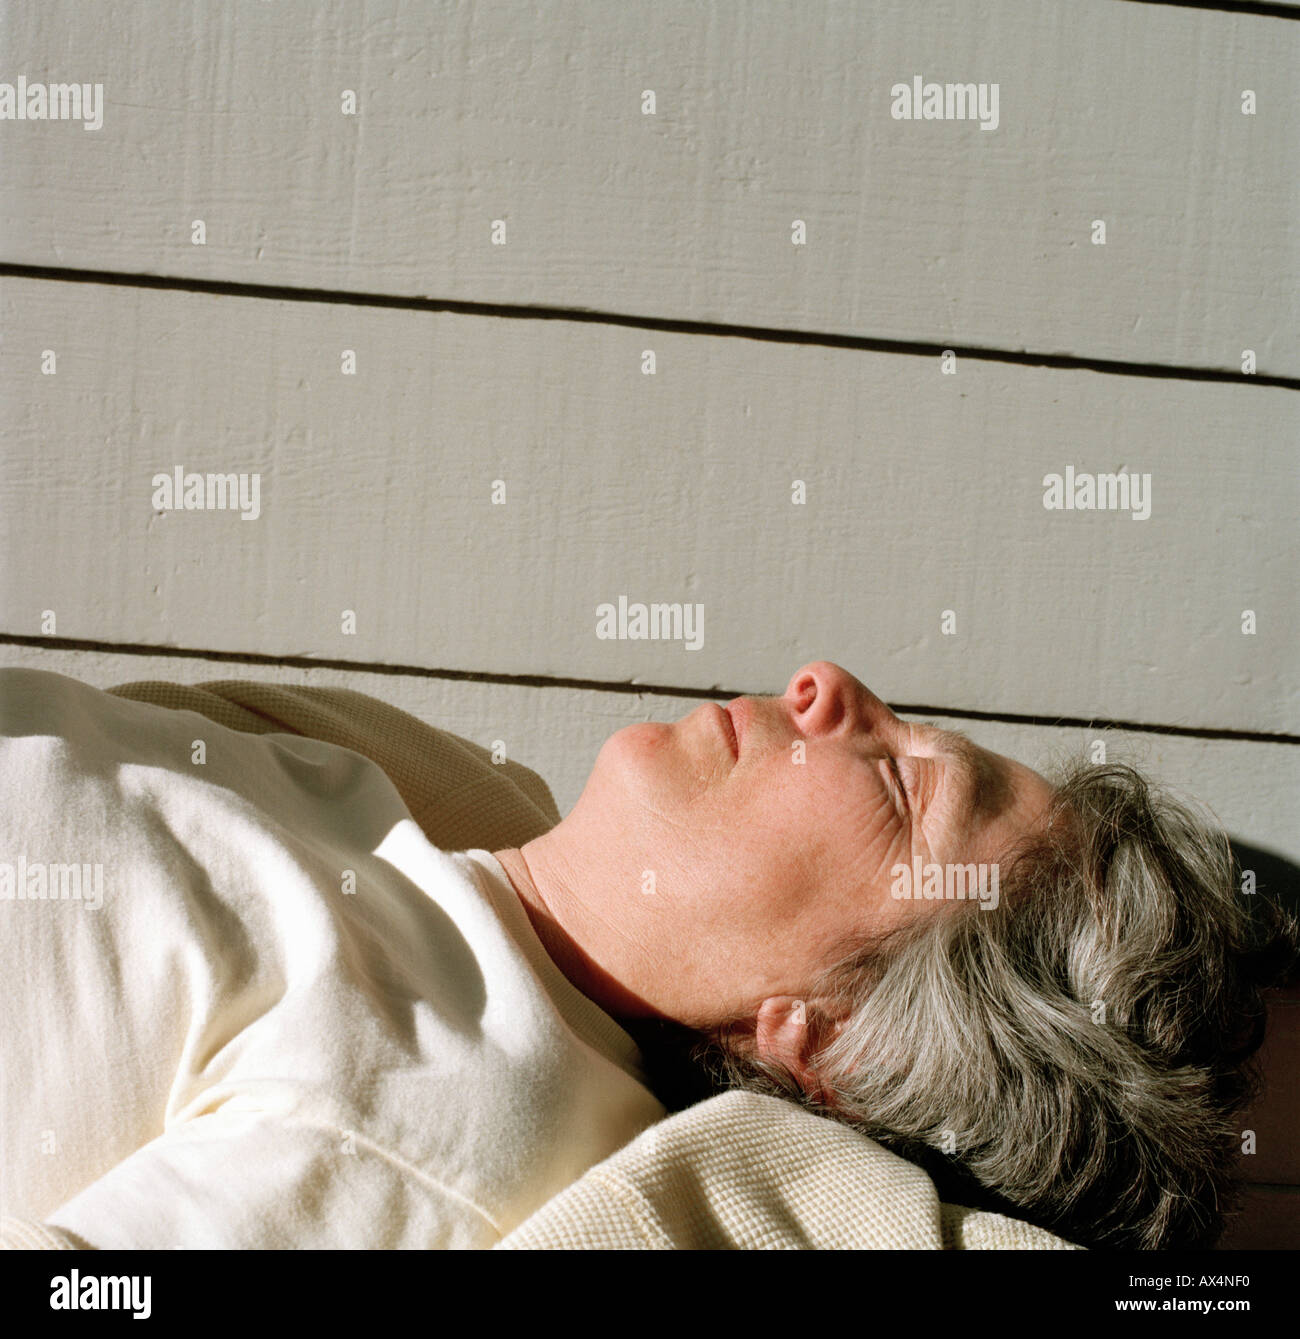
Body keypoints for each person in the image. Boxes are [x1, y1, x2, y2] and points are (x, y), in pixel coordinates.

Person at [0, 662, 1291, 1250]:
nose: (824, 686)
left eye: (897, 787)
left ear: (827, 1031)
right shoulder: (400, 812)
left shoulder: (455, 1104)